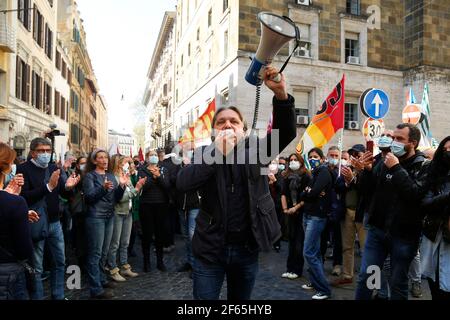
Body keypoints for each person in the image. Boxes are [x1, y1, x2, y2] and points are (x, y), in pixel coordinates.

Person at [177, 66, 296, 300]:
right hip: (210, 249)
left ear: (244, 129)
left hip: (246, 248)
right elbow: (183, 184)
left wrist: (281, 95)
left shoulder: (258, 150)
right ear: (213, 131)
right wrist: (216, 153)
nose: (228, 125)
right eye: (221, 122)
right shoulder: (204, 153)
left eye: (234, 121)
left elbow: (285, 133)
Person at [355, 123, 428, 300]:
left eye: (400, 139)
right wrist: (362, 172)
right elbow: (369, 190)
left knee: (397, 282)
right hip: (378, 231)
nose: (394, 142)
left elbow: (415, 195)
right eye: (393, 138)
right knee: (367, 275)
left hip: (403, 236)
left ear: (413, 143)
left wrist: (396, 168)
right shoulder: (385, 160)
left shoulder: (423, 165)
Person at [17, 138, 80, 300]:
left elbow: (61, 194)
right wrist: (47, 187)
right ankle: (37, 296)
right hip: (36, 222)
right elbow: (23, 197)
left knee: (60, 262)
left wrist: (68, 187)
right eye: (41, 151)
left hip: (55, 222)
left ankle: (58, 295)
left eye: (47, 150)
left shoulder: (53, 168)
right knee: (37, 267)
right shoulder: (22, 169)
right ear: (32, 152)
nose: (45, 154)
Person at [83, 149, 127, 299]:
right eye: (100, 158)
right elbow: (89, 197)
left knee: (104, 251)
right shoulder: (89, 176)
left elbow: (116, 198)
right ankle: (96, 288)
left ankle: (102, 279)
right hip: (96, 217)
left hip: (109, 216)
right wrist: (102, 188)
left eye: (105, 158)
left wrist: (121, 186)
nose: (104, 160)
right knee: (95, 253)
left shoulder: (110, 176)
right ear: (95, 161)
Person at [0, 143, 34, 300]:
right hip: (7, 272)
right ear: (6, 168)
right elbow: (24, 249)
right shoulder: (15, 202)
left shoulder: (12, 201)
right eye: (12, 162)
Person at [299, 148, 333, 300]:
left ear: (322, 158)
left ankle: (324, 289)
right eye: (310, 157)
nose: (312, 159)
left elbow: (311, 193)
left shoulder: (324, 172)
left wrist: (309, 192)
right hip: (308, 214)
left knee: (309, 252)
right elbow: (303, 193)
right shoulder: (314, 173)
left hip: (317, 216)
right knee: (316, 251)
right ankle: (314, 281)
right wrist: (309, 191)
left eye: (315, 157)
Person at [107, 156, 146, 282]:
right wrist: (136, 189)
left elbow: (132, 194)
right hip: (118, 213)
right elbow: (121, 197)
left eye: (128, 163)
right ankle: (112, 268)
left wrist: (138, 187)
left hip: (128, 212)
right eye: (126, 163)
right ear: (118, 164)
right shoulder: (113, 177)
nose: (128, 165)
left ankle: (124, 266)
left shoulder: (126, 175)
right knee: (115, 243)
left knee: (125, 242)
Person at [332, 145, 366, 286]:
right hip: (347, 212)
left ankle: (371, 280)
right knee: (347, 246)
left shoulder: (369, 170)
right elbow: (337, 187)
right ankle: (347, 275)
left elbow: (368, 189)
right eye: (353, 155)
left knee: (368, 249)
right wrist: (347, 182)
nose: (355, 158)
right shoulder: (347, 170)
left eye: (358, 155)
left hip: (363, 214)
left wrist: (353, 180)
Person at [421, 136, 450, 300]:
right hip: (435, 235)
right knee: (436, 282)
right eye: (446, 149)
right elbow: (426, 202)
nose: (448, 153)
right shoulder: (433, 174)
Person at [138, 150, 172, 273]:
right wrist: (154, 177)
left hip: (161, 205)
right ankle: (146, 262)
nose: (154, 157)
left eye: (155, 155)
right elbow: (143, 187)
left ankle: (160, 261)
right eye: (151, 155)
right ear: (147, 158)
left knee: (160, 234)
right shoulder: (142, 170)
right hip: (146, 205)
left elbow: (167, 186)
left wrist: (159, 177)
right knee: (147, 235)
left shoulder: (164, 169)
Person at [280, 154, 311, 280]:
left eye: (295, 160)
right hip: (290, 212)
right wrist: (285, 209)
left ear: (300, 162)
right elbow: (283, 193)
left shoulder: (306, 176)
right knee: (291, 241)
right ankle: (289, 268)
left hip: (302, 211)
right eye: (291, 160)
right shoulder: (286, 176)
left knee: (299, 242)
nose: (293, 162)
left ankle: (297, 270)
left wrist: (295, 207)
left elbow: (307, 197)